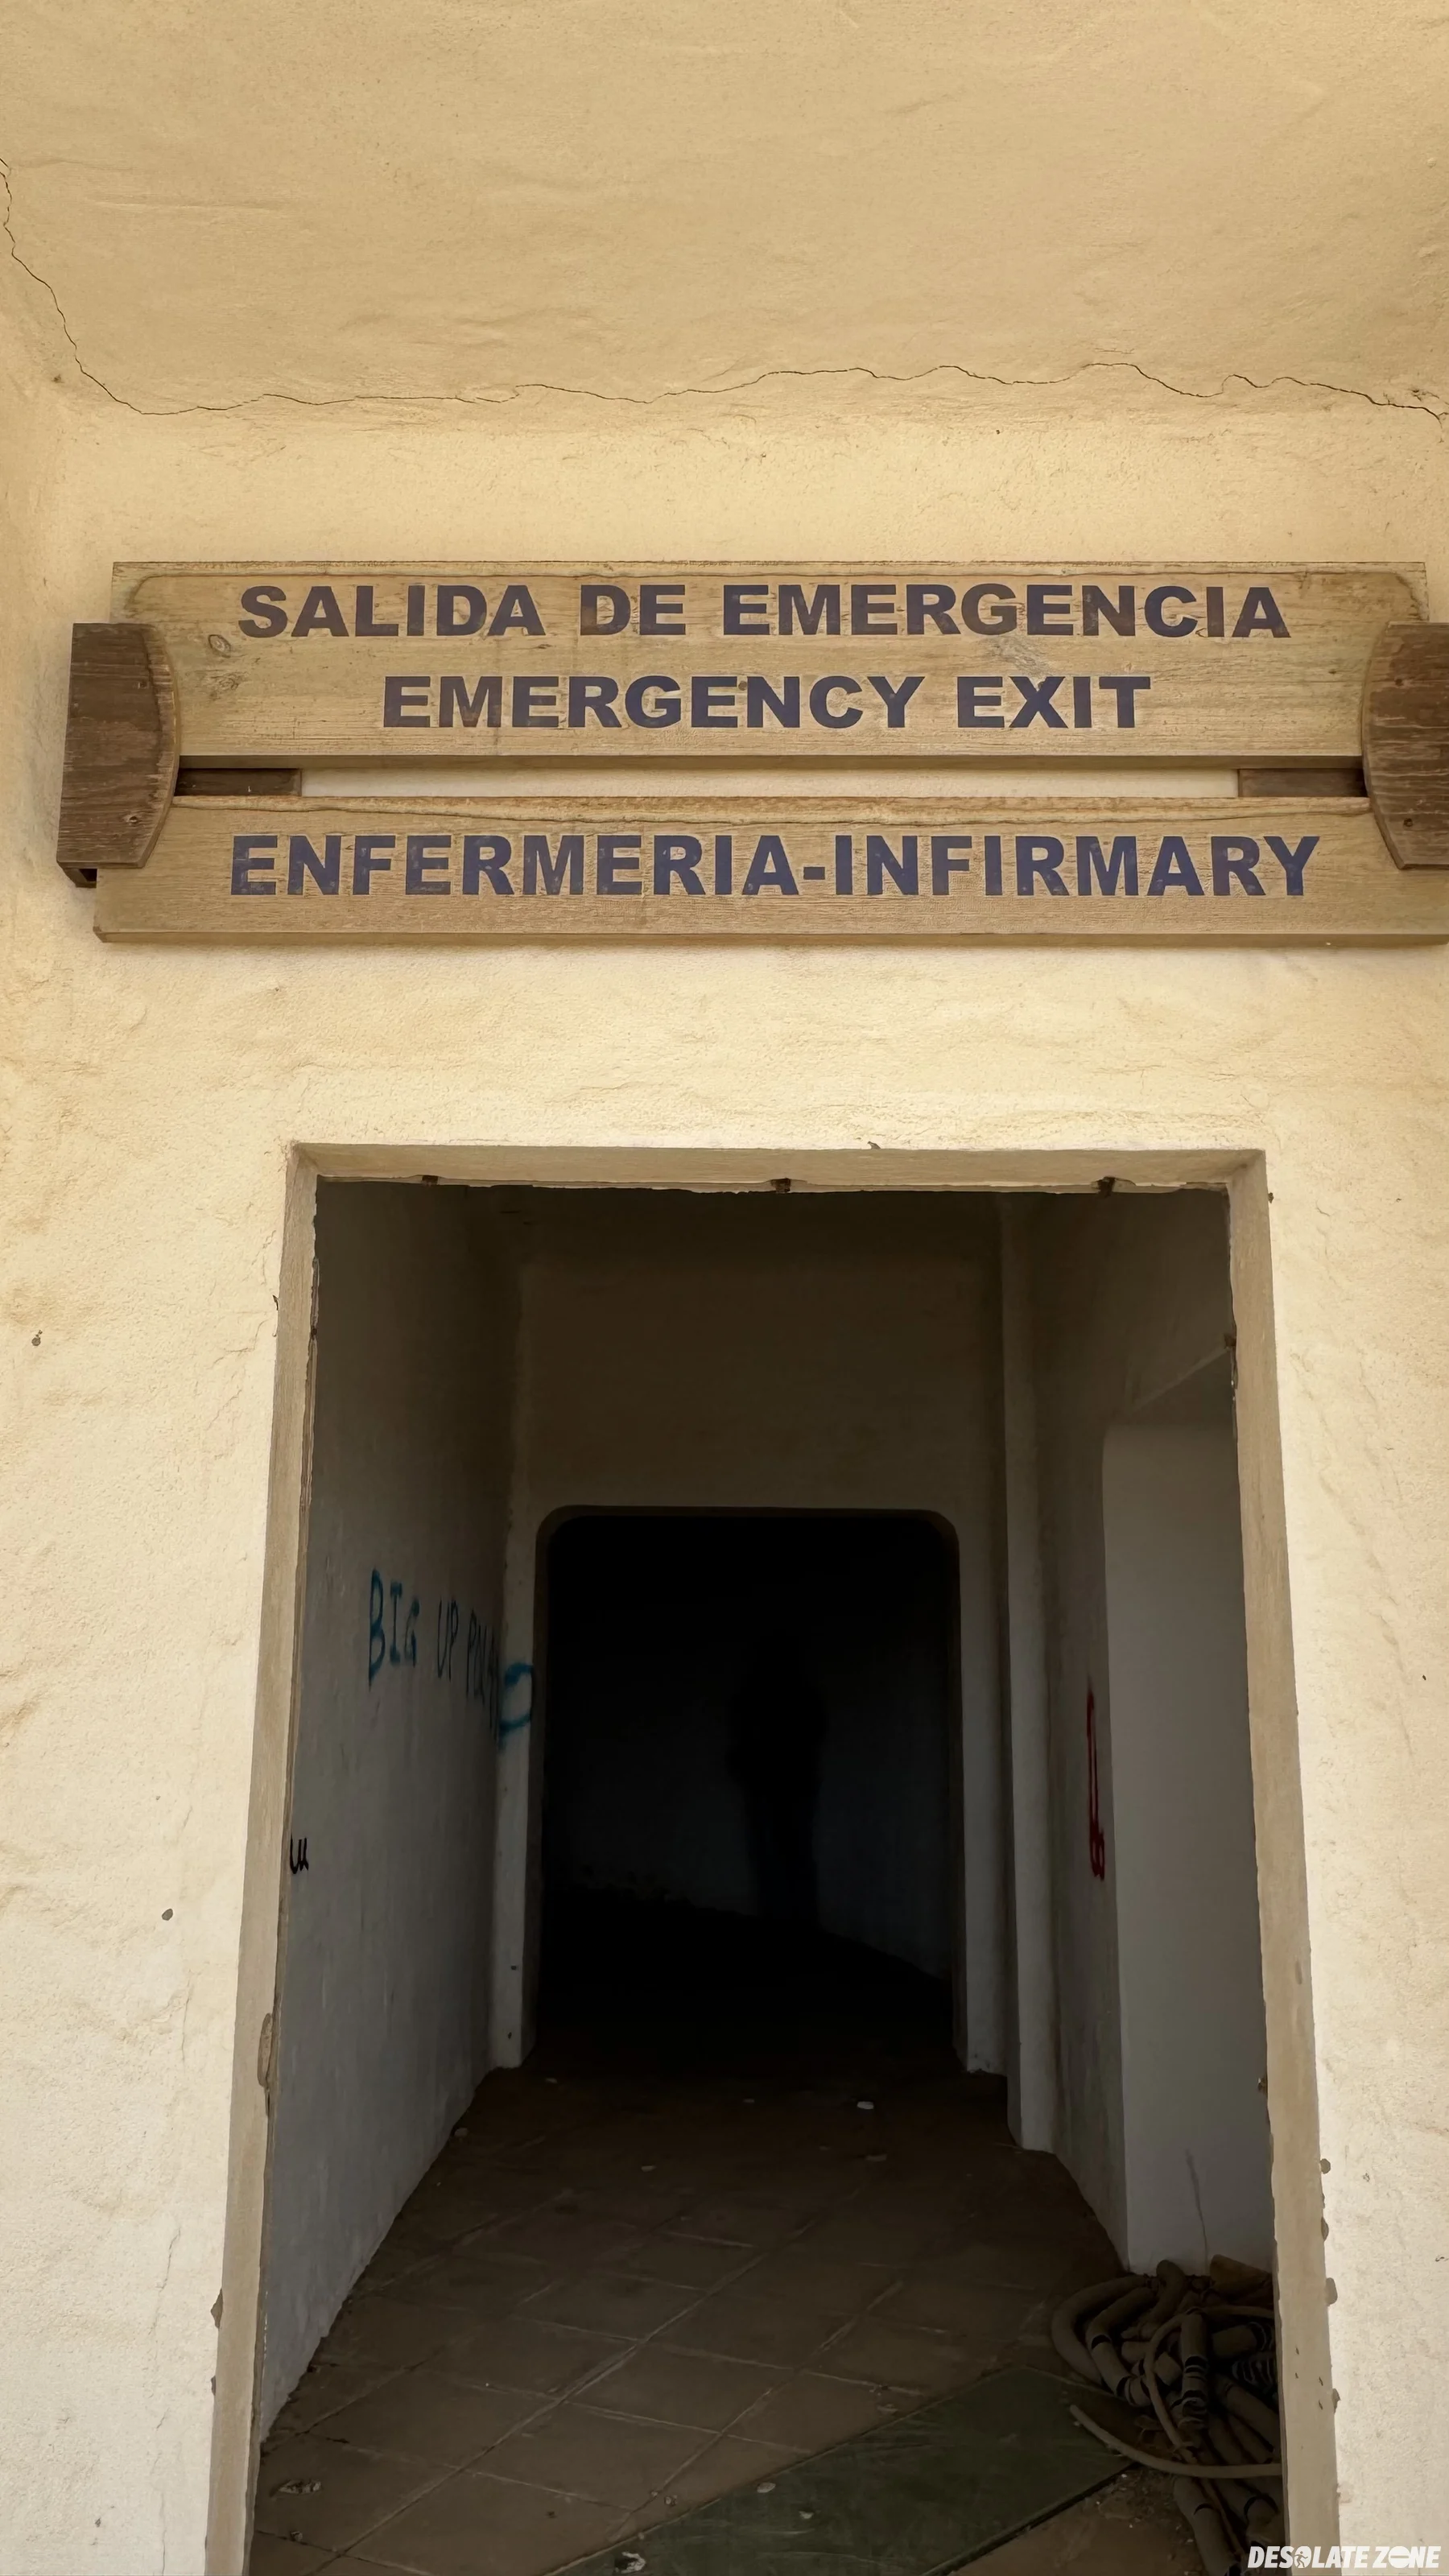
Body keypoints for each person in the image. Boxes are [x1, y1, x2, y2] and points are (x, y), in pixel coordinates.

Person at [728, 1628, 828, 1928]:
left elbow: (743, 1739)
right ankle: (796, 1922)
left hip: (778, 1785)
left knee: (780, 1858)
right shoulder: (796, 1697)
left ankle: (790, 1921)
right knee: (786, 1858)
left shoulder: (760, 1698)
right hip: (783, 1785)